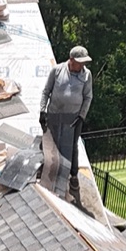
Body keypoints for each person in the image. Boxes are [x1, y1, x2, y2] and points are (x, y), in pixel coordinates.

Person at [39, 45, 94, 200]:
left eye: (84, 62)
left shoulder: (86, 75)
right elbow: (46, 91)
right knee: (51, 144)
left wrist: (82, 116)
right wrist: (43, 111)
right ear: (71, 60)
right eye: (80, 62)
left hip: (74, 117)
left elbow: (88, 97)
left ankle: (73, 176)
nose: (82, 65)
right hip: (54, 114)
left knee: (71, 147)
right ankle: (47, 171)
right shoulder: (57, 71)